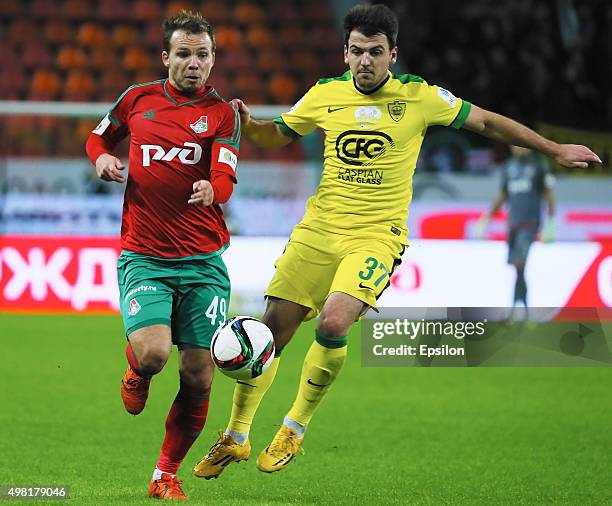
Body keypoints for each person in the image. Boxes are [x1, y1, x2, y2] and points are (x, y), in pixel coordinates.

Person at [193, 3, 600, 478]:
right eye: (358, 51)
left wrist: (553, 149)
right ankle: (237, 437)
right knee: (270, 332)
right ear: (345, 53)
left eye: (376, 52)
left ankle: (294, 428)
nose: (366, 61)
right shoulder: (325, 93)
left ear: (393, 54)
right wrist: (249, 125)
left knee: (334, 320)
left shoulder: (421, 97)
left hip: (377, 236)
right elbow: (277, 135)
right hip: (318, 230)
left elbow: (486, 122)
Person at [85, 10, 240, 500]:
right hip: (145, 255)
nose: (193, 63)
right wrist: (103, 157)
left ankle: (165, 473)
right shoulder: (137, 99)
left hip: (203, 261)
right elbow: (97, 138)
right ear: (166, 57)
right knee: (154, 355)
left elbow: (226, 176)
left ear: (213, 59)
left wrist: (211, 191)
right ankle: (137, 368)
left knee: (199, 372)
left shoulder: (224, 113)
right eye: (184, 54)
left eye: (203, 55)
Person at [478, 146, 556, 320]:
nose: (518, 148)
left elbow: (549, 193)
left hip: (530, 223)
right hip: (513, 224)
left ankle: (517, 310)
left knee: (520, 262)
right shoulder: (509, 167)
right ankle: (522, 309)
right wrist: (487, 216)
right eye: (514, 144)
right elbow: (503, 194)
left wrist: (551, 221)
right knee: (517, 267)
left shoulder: (539, 165)